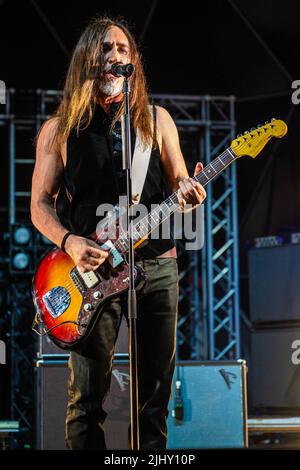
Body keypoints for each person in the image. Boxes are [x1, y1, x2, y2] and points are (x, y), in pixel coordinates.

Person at [30, 15, 206, 450]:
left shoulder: (155, 120)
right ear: (86, 59)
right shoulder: (59, 129)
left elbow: (181, 178)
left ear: (134, 63)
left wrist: (189, 189)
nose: (115, 57)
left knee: (154, 398)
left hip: (157, 268)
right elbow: (39, 205)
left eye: (123, 50)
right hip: (93, 272)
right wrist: (70, 242)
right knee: (87, 399)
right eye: (105, 49)